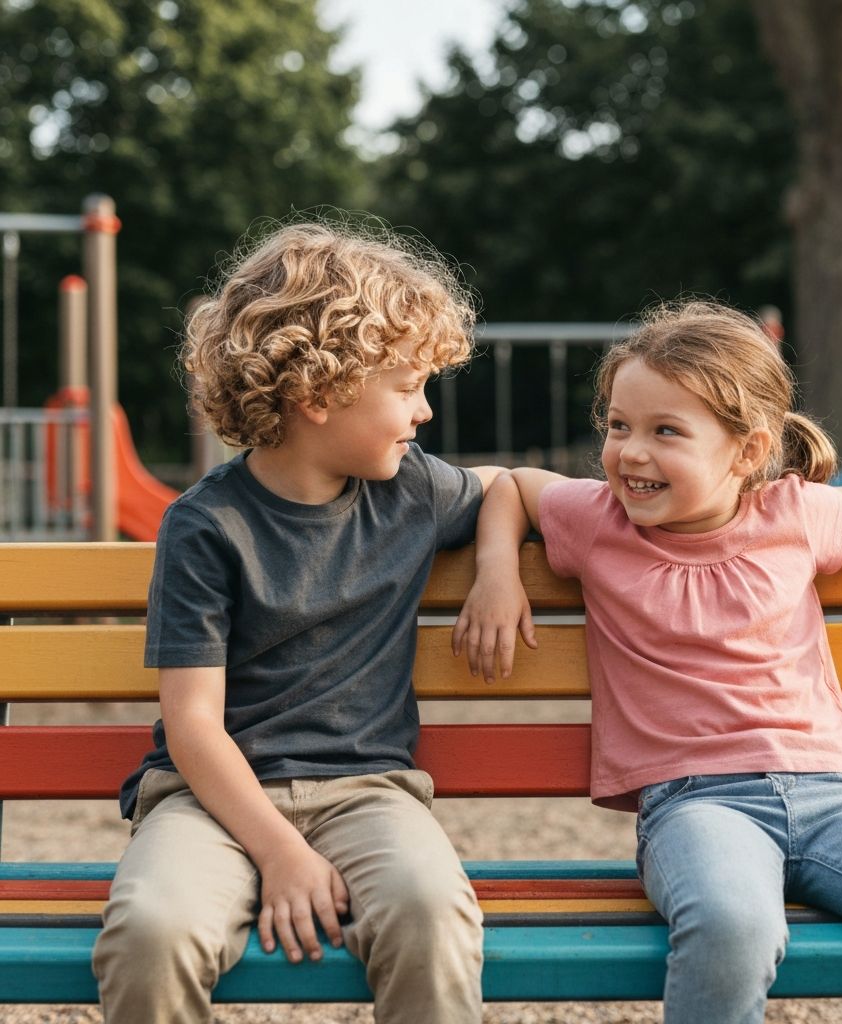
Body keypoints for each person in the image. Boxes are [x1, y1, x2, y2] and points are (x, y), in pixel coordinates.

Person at [453, 299, 842, 1024]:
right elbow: (511, 486)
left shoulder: (792, 511)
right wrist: (498, 571)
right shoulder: (597, 521)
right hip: (695, 804)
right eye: (619, 425)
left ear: (748, 452)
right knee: (733, 927)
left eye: (666, 432)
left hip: (833, 797)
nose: (630, 452)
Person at [92, 220, 503, 1024]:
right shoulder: (205, 526)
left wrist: (494, 568)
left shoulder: (410, 491)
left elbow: (511, 485)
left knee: (431, 913)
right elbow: (193, 726)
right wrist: (281, 852)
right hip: (207, 799)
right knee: (149, 931)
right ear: (318, 394)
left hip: (369, 793)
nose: (423, 413)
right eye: (408, 386)